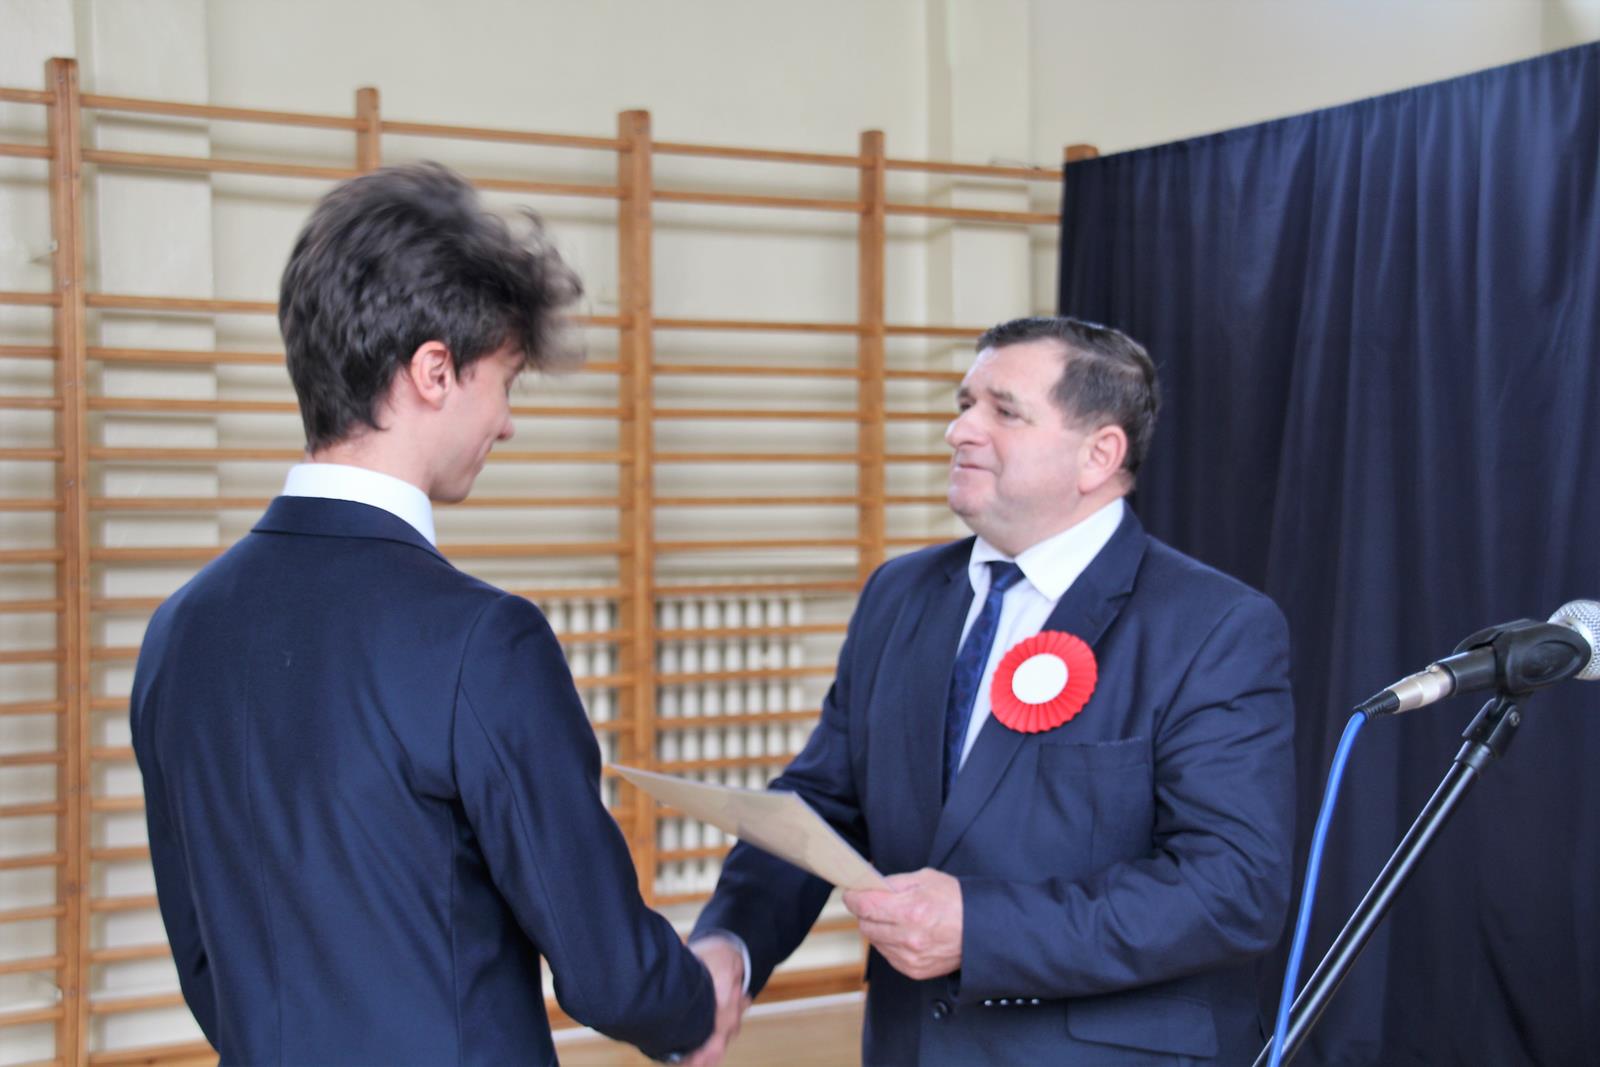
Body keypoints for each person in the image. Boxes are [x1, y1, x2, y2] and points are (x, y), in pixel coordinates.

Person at [131, 163, 741, 1066]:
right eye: (506, 381)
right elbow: (607, 967)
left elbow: (205, 957)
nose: (507, 423)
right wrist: (697, 1002)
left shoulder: (178, 632)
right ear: (434, 370)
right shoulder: (483, 642)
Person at [692, 316, 1296, 1065]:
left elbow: (1231, 889)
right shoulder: (898, 595)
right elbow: (820, 805)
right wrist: (733, 942)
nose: (959, 431)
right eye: (964, 404)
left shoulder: (1214, 625)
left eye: (1003, 411)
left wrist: (982, 929)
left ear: (1099, 454)